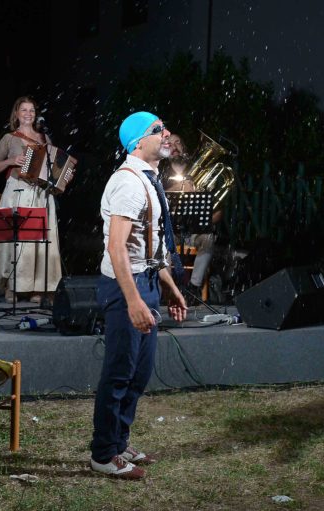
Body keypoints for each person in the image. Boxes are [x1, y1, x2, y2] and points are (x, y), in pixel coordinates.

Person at [90, 111, 188, 479]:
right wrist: (132, 300)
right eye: (156, 129)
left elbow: (150, 247)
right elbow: (117, 249)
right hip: (125, 285)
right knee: (119, 372)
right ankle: (103, 454)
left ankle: (119, 441)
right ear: (137, 142)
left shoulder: (149, 179)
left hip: (145, 281)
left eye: (164, 126)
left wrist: (171, 288)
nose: (166, 133)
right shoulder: (129, 183)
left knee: (139, 373)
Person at [0, 96, 62, 303]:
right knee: (17, 240)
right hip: (18, 191)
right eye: (24, 110)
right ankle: (13, 286)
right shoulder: (9, 138)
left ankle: (38, 287)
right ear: (16, 114)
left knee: (39, 240)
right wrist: (11, 160)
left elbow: (53, 167)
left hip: (40, 193)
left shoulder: (44, 137)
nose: (28, 114)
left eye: (32, 110)